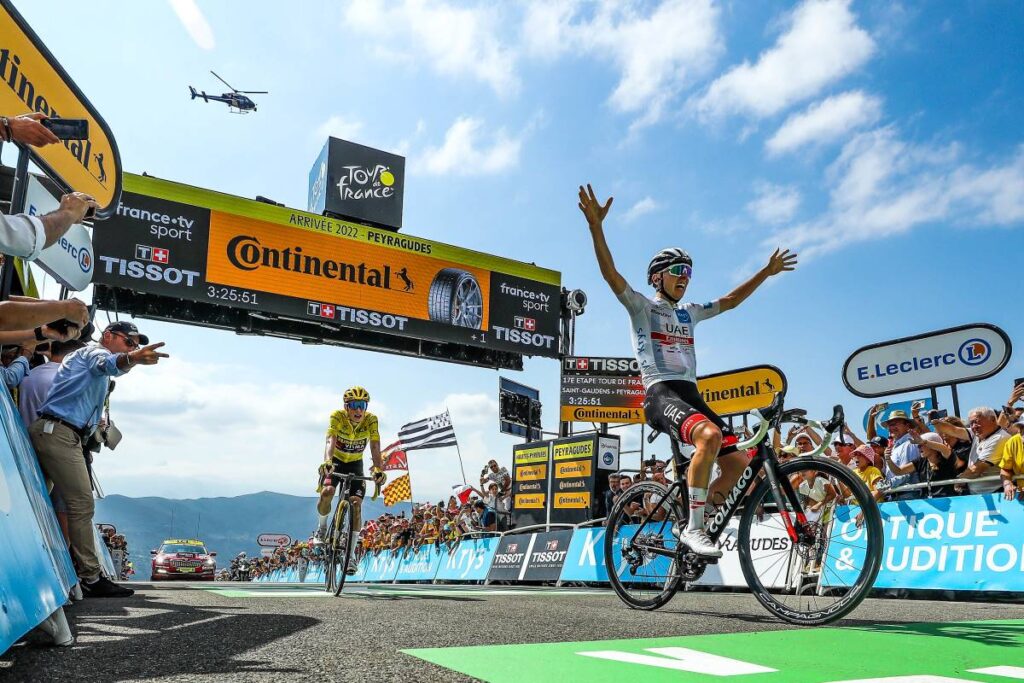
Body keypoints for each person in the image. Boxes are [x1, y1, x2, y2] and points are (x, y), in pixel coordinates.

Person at [578, 183, 797, 557]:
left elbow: (729, 301)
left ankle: (701, 520)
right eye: (677, 270)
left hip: (691, 394)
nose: (685, 276)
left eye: (689, 272)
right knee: (709, 437)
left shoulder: (689, 311)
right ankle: (694, 530)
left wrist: (765, 271)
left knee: (739, 465)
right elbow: (610, 275)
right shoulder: (643, 307)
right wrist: (596, 227)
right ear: (657, 276)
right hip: (661, 393)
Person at [29, 321, 168, 597]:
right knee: (80, 504)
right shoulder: (92, 352)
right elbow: (106, 363)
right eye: (129, 342)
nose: (134, 346)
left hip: (60, 433)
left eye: (135, 344)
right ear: (108, 336)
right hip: (59, 433)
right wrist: (131, 359)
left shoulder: (90, 362)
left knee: (42, 503)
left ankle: (55, 567)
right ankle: (90, 577)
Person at [314, 386, 386, 554]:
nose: (359, 410)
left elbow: (375, 446)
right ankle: (322, 527)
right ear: (346, 406)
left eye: (363, 405)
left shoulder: (371, 420)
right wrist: (327, 461)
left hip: (356, 464)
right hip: (337, 461)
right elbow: (330, 440)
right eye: (354, 405)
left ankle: (351, 553)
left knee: (356, 505)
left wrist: (378, 469)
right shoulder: (337, 416)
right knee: (327, 492)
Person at [878, 410, 922, 499]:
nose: (891, 427)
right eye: (889, 425)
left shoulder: (911, 443)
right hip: (896, 495)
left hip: (908, 494)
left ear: (907, 425)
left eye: (895, 424)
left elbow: (908, 472)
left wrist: (888, 484)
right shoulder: (895, 447)